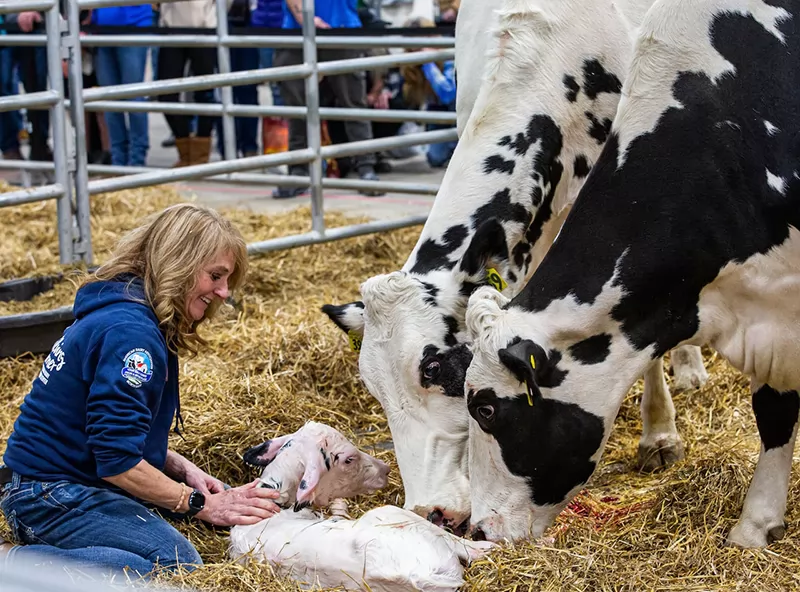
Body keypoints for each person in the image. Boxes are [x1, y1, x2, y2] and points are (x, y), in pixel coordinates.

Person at [0, 204, 281, 578]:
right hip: (49, 494)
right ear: (179, 263)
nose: (224, 292)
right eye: (215, 276)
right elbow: (116, 458)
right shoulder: (132, 335)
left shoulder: (129, 310)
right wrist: (198, 503)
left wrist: (184, 470)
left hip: (56, 481)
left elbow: (110, 433)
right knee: (174, 564)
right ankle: (13, 564)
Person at [273, 0, 384, 198]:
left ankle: (366, 167)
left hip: (340, 27)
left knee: (353, 103)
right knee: (298, 107)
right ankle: (299, 171)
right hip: (298, 31)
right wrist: (304, 17)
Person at [158, 1, 230, 167]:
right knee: (166, 94)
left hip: (205, 28)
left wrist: (213, 16)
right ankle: (185, 151)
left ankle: (200, 154)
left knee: (206, 93)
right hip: (172, 28)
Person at [91, 4, 153, 167]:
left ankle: (136, 159)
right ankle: (118, 159)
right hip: (102, 30)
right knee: (110, 101)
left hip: (133, 28)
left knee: (133, 97)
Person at [400, 17, 457, 169]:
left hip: (458, 111)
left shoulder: (448, 53)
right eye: (411, 39)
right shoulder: (409, 63)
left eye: (422, 37)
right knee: (435, 158)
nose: (416, 43)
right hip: (437, 112)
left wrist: (428, 61)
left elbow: (448, 93)